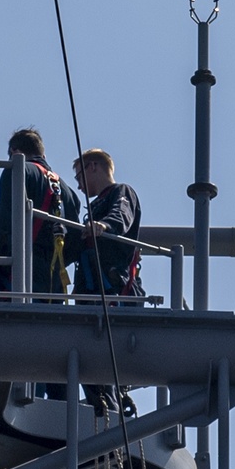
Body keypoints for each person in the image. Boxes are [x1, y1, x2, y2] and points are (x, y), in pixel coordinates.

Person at [67, 147, 145, 414]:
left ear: (93, 167)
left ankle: (108, 426)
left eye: (78, 176)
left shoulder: (121, 193)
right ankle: (101, 415)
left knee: (103, 365)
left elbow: (121, 217)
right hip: (91, 293)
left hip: (112, 293)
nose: (78, 184)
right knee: (89, 367)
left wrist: (105, 226)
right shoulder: (96, 205)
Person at [0, 128, 81, 295]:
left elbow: (6, 220)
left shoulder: (18, 171)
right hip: (53, 278)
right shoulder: (69, 193)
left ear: (14, 152)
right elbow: (75, 241)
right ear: (43, 155)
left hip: (23, 271)